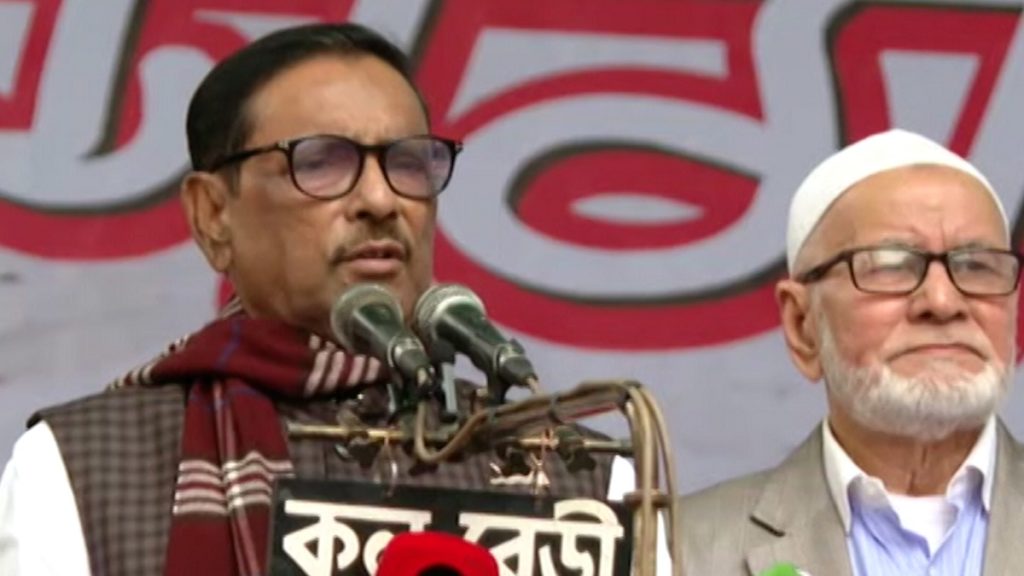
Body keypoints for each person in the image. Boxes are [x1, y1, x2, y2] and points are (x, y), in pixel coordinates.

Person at [0, 22, 629, 576]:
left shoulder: (583, 476)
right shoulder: (88, 467)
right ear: (212, 214)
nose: (381, 200)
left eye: (408, 163)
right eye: (323, 162)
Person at [681, 128, 1024, 575]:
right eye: (891, 266)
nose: (942, 302)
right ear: (802, 325)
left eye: (977, 266)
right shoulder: (679, 551)